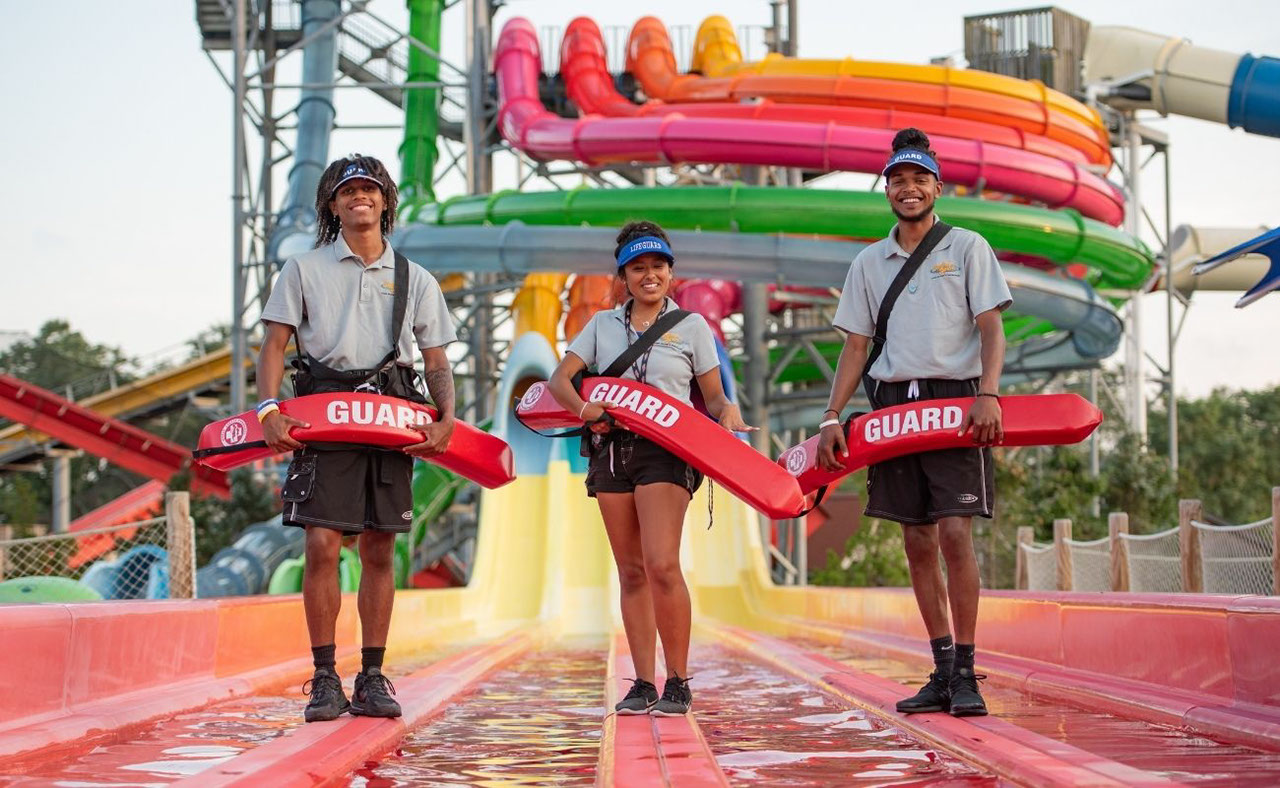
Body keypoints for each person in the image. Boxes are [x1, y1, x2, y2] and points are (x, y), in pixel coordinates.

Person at [817, 129, 1012, 717]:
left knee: (956, 533)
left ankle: (970, 674)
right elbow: (856, 345)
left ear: (937, 186)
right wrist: (831, 416)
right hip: (894, 407)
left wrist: (989, 393)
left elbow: (991, 328)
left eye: (919, 178)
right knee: (916, 539)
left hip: (957, 404)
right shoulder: (869, 262)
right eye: (898, 180)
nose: (908, 188)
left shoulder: (970, 247)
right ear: (887, 189)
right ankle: (942, 669)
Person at [256, 154, 458, 722]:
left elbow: (437, 358)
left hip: (391, 417)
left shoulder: (414, 277)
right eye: (348, 192)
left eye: (369, 189)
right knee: (321, 543)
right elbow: (274, 346)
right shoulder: (303, 268)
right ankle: (324, 677)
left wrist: (446, 416)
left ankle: (372, 675)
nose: (359, 198)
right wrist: (269, 408)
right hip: (323, 413)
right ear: (332, 205)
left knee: (379, 546)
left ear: (385, 201)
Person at [548, 221, 754, 717]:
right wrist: (583, 411)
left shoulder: (690, 327)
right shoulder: (601, 326)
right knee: (631, 570)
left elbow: (715, 396)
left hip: (666, 451)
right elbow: (560, 379)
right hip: (611, 451)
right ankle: (642, 681)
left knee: (662, 562)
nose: (649, 276)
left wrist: (728, 416)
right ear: (623, 275)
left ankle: (678, 681)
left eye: (657, 266)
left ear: (670, 272)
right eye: (638, 268)